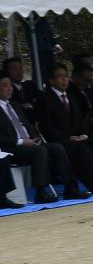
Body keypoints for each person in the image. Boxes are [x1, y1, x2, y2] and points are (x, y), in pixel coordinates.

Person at [36, 62, 93, 192]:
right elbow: (46, 127)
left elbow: (82, 120)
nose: (64, 79)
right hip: (60, 140)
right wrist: (69, 137)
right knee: (83, 149)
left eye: (66, 76)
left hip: (77, 137)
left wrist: (83, 134)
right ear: (51, 80)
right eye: (60, 76)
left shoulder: (72, 97)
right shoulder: (44, 99)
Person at [0, 72, 79, 204]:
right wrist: (21, 141)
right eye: (4, 85)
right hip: (10, 147)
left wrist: (35, 137)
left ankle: (70, 187)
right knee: (39, 151)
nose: (9, 88)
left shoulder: (14, 104)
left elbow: (28, 125)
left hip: (28, 143)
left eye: (10, 85)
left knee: (57, 148)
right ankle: (41, 191)